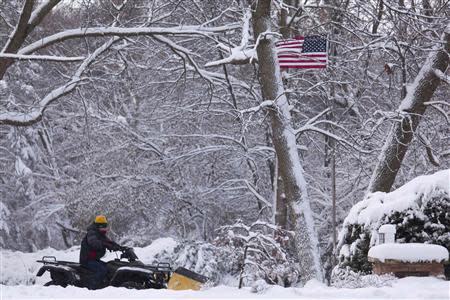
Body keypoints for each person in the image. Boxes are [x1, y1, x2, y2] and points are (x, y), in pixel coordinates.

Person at [79, 215, 122, 289]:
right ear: (99, 226)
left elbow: (108, 242)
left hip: (94, 260)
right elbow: (94, 243)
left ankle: (105, 284)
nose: (105, 228)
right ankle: (93, 287)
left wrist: (119, 247)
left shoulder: (100, 234)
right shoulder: (92, 233)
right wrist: (104, 244)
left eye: (106, 226)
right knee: (102, 270)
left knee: (109, 267)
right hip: (87, 260)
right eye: (103, 226)